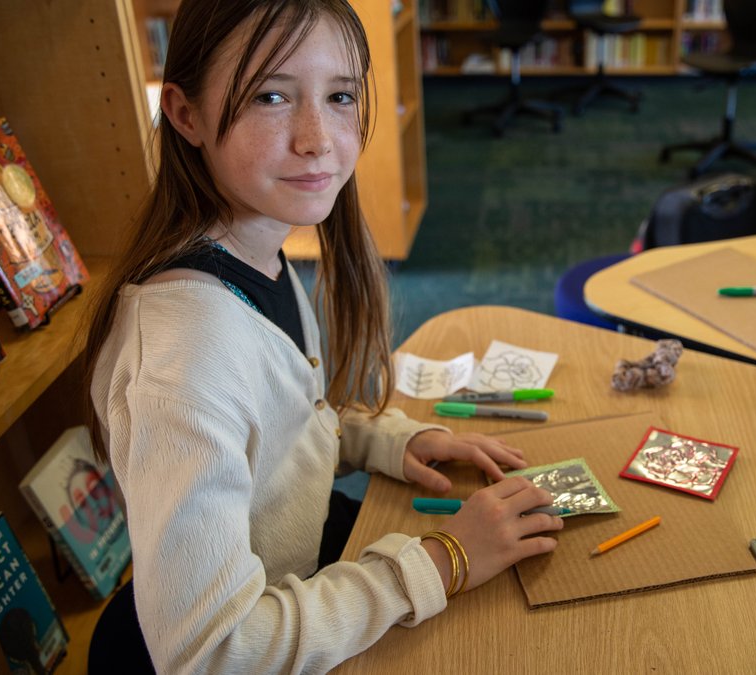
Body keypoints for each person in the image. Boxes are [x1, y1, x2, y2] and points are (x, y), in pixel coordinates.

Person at [81, 0, 564, 672]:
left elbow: (281, 434)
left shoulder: (256, 252)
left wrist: (389, 438)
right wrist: (441, 560)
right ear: (185, 114)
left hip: (300, 570)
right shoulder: (184, 357)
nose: (318, 138)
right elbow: (214, 653)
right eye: (271, 96)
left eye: (340, 96)